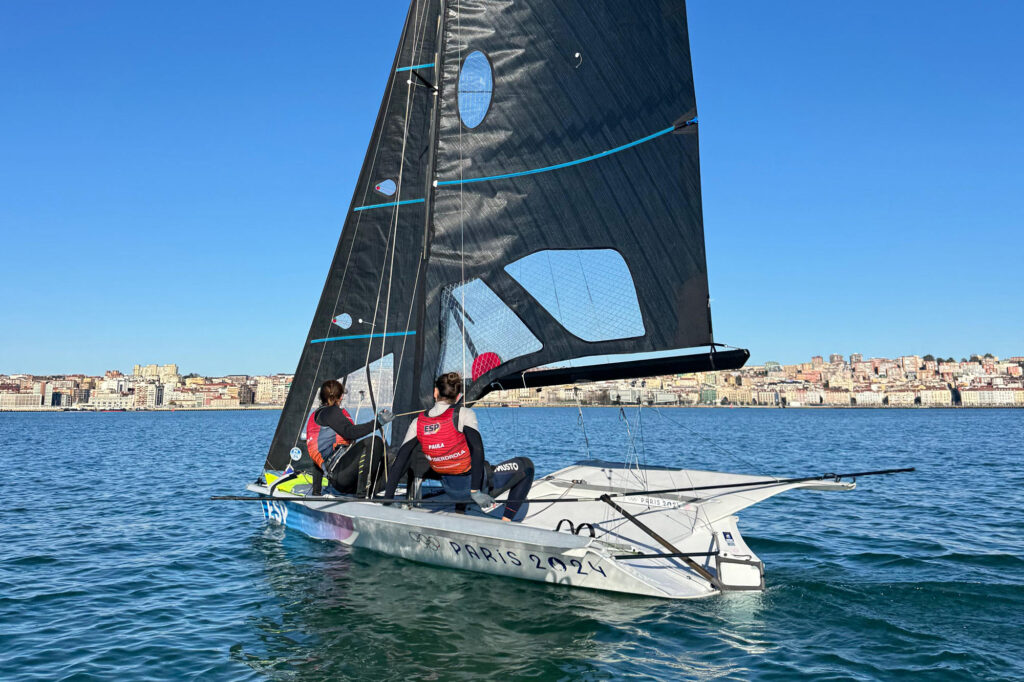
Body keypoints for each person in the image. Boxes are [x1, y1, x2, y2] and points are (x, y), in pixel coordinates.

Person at [384, 372, 534, 522]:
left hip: (450, 488)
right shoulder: (463, 414)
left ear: (435, 392)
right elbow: (477, 450)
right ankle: (506, 522)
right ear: (458, 396)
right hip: (472, 489)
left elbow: (400, 461)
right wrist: (475, 492)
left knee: (444, 454)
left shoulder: (418, 422)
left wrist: (388, 499)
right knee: (526, 465)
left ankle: (461, 507)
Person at [306, 378, 393, 497]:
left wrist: (316, 491)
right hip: (341, 475)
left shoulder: (318, 416)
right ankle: (362, 495)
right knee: (374, 442)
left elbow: (317, 457)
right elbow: (349, 432)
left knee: (393, 458)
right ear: (340, 397)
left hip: (342, 477)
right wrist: (378, 423)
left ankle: (373, 492)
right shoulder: (330, 412)